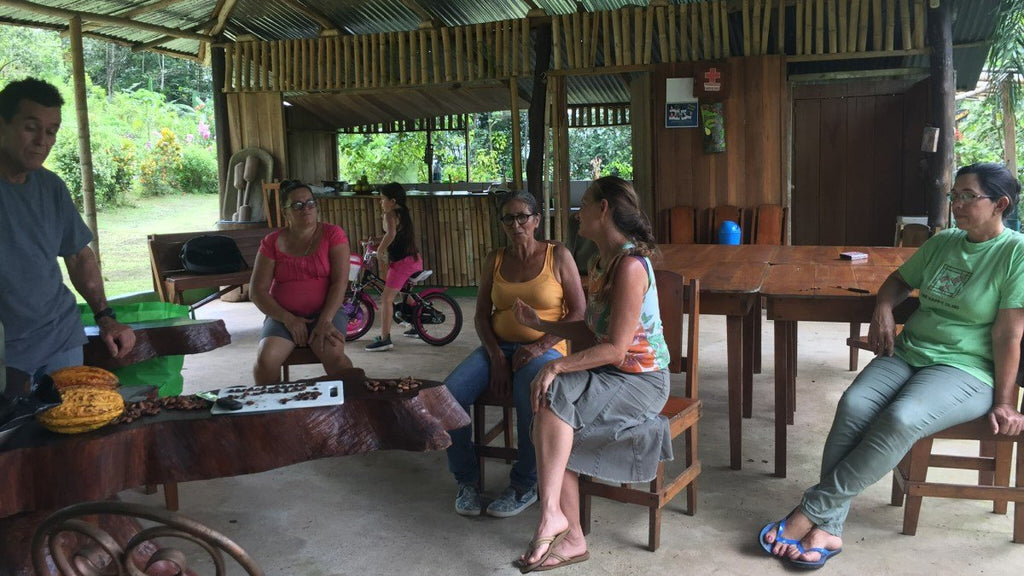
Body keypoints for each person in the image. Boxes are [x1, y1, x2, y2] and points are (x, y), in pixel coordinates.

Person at [760, 162, 1024, 569]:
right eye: (954, 195)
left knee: (901, 417)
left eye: (967, 197)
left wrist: (1006, 402)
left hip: (967, 369)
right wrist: (884, 306)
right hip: (910, 351)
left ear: (1000, 204)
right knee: (853, 405)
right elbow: (900, 281)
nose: (956, 204)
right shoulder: (944, 242)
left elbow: (1009, 335)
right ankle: (829, 527)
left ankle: (813, 510)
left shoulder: (1015, 254)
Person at [512, 176, 672, 572]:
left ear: (604, 210)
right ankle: (568, 531)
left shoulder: (632, 266)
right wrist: (539, 324)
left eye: (584, 204)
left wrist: (555, 362)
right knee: (551, 410)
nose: (576, 213)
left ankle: (556, 521)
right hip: (612, 373)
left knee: (555, 396)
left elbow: (617, 348)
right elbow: (590, 331)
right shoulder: (601, 262)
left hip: (642, 382)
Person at [444, 190, 585, 518]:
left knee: (530, 395)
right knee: (446, 396)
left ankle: (525, 484)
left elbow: (577, 313)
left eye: (523, 216)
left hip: (546, 349)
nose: (516, 223)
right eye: (509, 217)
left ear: (536, 220)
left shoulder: (557, 255)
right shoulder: (494, 258)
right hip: (498, 348)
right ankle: (467, 480)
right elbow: (481, 314)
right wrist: (495, 357)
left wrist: (536, 347)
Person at [0, 77, 134, 377]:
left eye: (51, 131)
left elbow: (78, 256)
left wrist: (106, 318)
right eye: (30, 127)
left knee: (70, 421)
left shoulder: (51, 187)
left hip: (60, 340)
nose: (42, 141)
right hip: (6, 354)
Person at [250, 180, 353, 384]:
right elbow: (257, 291)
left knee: (333, 354)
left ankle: (353, 405)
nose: (305, 208)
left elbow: (339, 283)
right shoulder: (271, 242)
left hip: (327, 313)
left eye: (310, 203)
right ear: (285, 211)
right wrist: (287, 318)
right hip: (283, 317)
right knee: (265, 360)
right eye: (297, 205)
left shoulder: (333, 234)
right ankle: (274, 412)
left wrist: (324, 321)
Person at [365, 182, 422, 351]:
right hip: (414, 259)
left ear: (392, 200)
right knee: (405, 294)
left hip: (402, 263)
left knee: (386, 299)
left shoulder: (390, 214)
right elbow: (395, 236)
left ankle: (385, 339)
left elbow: (391, 234)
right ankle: (416, 326)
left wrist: (380, 250)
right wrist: (375, 241)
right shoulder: (403, 213)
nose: (380, 202)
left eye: (382, 199)